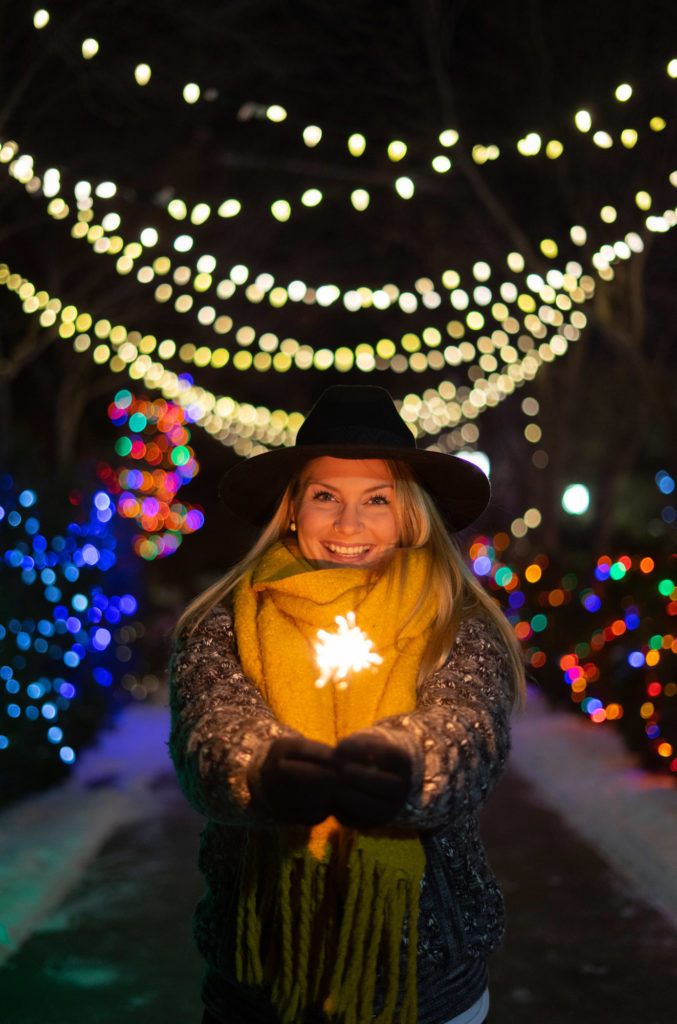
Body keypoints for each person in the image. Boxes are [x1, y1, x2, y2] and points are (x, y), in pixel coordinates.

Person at [169, 384, 525, 1024]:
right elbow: (211, 729)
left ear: (411, 513)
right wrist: (265, 770)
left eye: (377, 500)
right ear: (293, 511)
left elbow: (469, 726)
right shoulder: (223, 623)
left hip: (427, 988)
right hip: (261, 984)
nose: (349, 525)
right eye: (326, 497)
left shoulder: (454, 620)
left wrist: (404, 764)